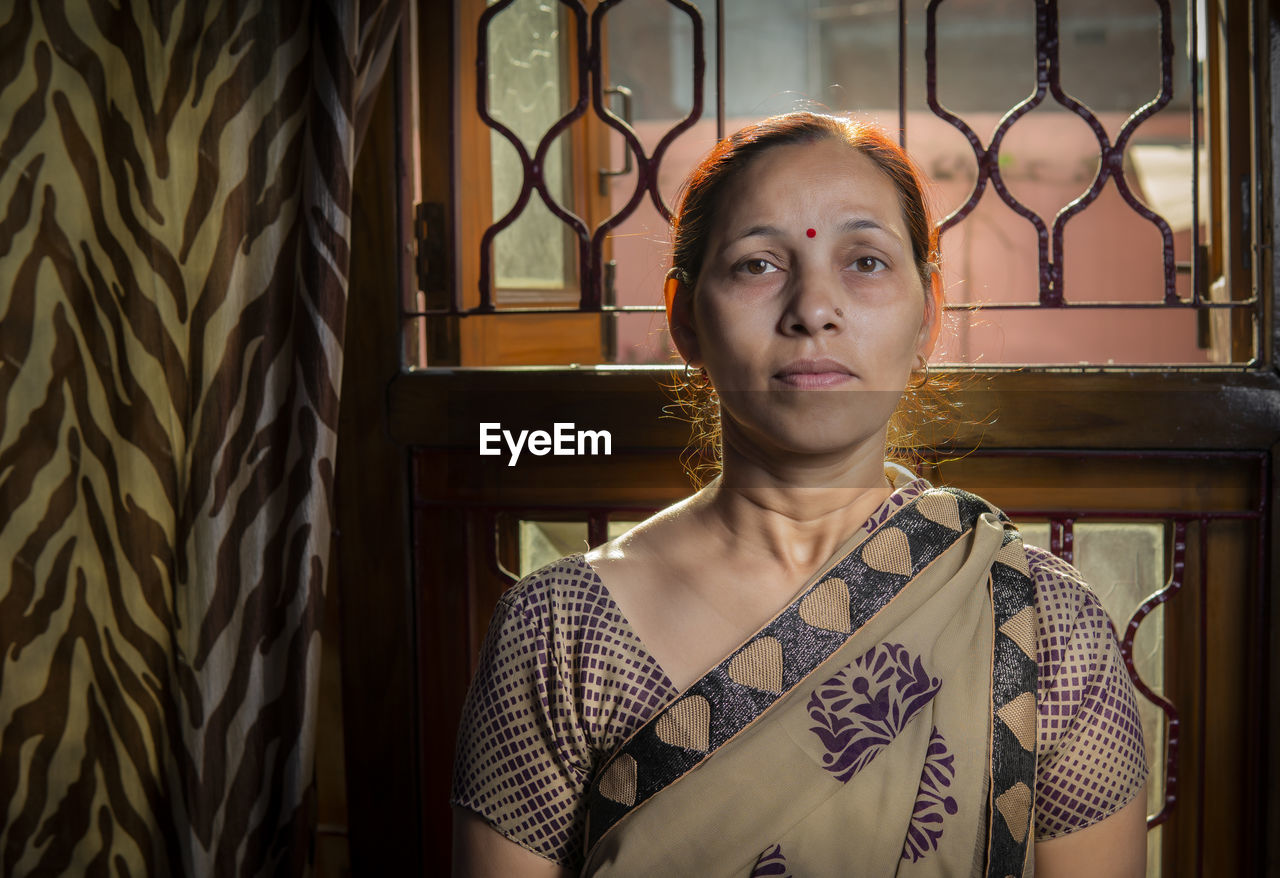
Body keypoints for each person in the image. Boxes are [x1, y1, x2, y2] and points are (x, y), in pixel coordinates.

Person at [451, 112, 1149, 877]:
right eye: (757, 264)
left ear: (929, 316)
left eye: (866, 262)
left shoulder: (1036, 619)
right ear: (684, 319)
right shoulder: (563, 632)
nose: (814, 308)